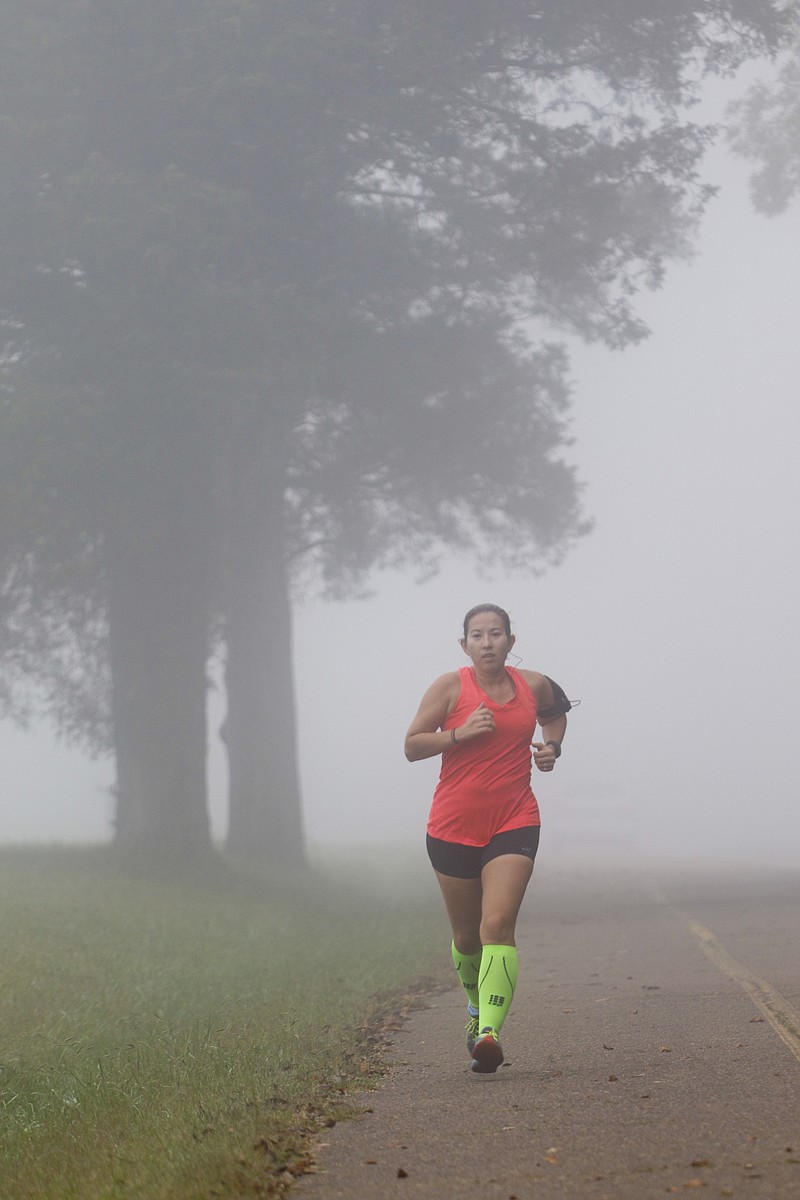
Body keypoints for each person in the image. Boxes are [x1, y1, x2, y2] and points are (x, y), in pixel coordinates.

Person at [404, 603, 570, 1074]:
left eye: (496, 633)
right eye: (477, 635)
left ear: (511, 642)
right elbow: (412, 745)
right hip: (453, 826)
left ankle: (490, 1033)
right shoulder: (450, 687)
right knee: (466, 935)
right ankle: (476, 1008)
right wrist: (458, 734)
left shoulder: (532, 685)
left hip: (514, 819)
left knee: (496, 924)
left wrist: (552, 747)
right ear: (465, 645)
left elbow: (556, 713)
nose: (487, 642)